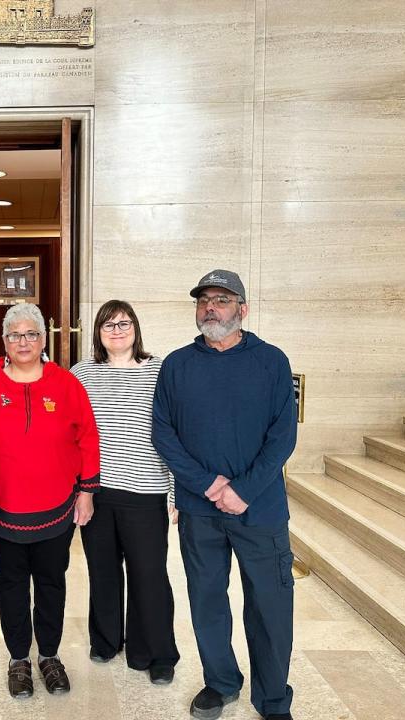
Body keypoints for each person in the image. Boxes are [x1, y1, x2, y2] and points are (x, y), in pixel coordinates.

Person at [152, 270, 297, 720]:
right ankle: (220, 681)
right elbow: (164, 433)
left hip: (260, 509)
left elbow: (283, 435)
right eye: (203, 301)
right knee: (207, 599)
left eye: (221, 299)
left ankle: (273, 700)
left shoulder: (271, 361)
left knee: (270, 606)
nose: (210, 307)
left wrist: (244, 490)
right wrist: (209, 485)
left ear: (243, 309)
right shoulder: (177, 364)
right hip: (201, 510)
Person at [0, 302, 100, 699]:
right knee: (11, 584)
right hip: (2, 507)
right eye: (15, 334)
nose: (23, 341)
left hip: (56, 508)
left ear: (43, 338)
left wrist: (86, 492)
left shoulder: (66, 384)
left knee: (51, 582)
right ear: (4, 340)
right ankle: (19, 659)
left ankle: (49, 655)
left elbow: (88, 437)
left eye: (32, 333)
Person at [71, 300, 180, 685]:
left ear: (136, 327)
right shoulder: (82, 373)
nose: (117, 330)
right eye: (108, 325)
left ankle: (157, 652)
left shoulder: (160, 370)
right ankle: (105, 641)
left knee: (149, 574)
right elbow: (72, 435)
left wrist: (175, 491)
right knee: (102, 572)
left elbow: (175, 431)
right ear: (97, 333)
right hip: (97, 490)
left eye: (124, 323)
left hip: (146, 490)